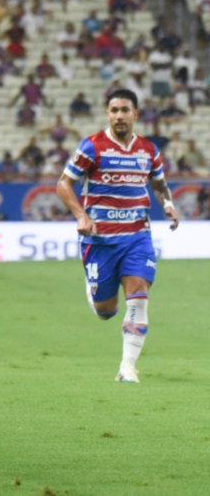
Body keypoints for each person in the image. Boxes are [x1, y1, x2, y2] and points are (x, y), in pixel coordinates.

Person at [55, 88, 180, 384]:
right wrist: (81, 215)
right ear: (107, 114)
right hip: (100, 241)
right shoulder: (92, 147)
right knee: (106, 311)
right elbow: (63, 184)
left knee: (138, 297)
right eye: (114, 110)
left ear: (135, 114)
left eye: (125, 110)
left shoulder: (148, 150)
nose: (119, 116)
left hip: (137, 235)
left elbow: (159, 185)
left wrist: (169, 205)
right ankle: (94, 292)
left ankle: (127, 367)